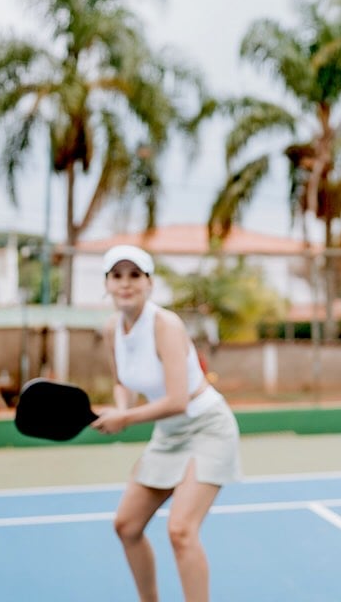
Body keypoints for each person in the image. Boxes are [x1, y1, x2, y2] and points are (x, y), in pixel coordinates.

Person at [92, 244, 241, 602]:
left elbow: (176, 400)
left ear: (149, 283)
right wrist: (118, 408)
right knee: (126, 526)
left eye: (135, 275)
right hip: (169, 433)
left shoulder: (166, 325)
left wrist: (124, 419)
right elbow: (123, 382)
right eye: (117, 276)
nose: (125, 283)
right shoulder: (113, 328)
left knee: (181, 531)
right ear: (107, 284)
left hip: (207, 427)